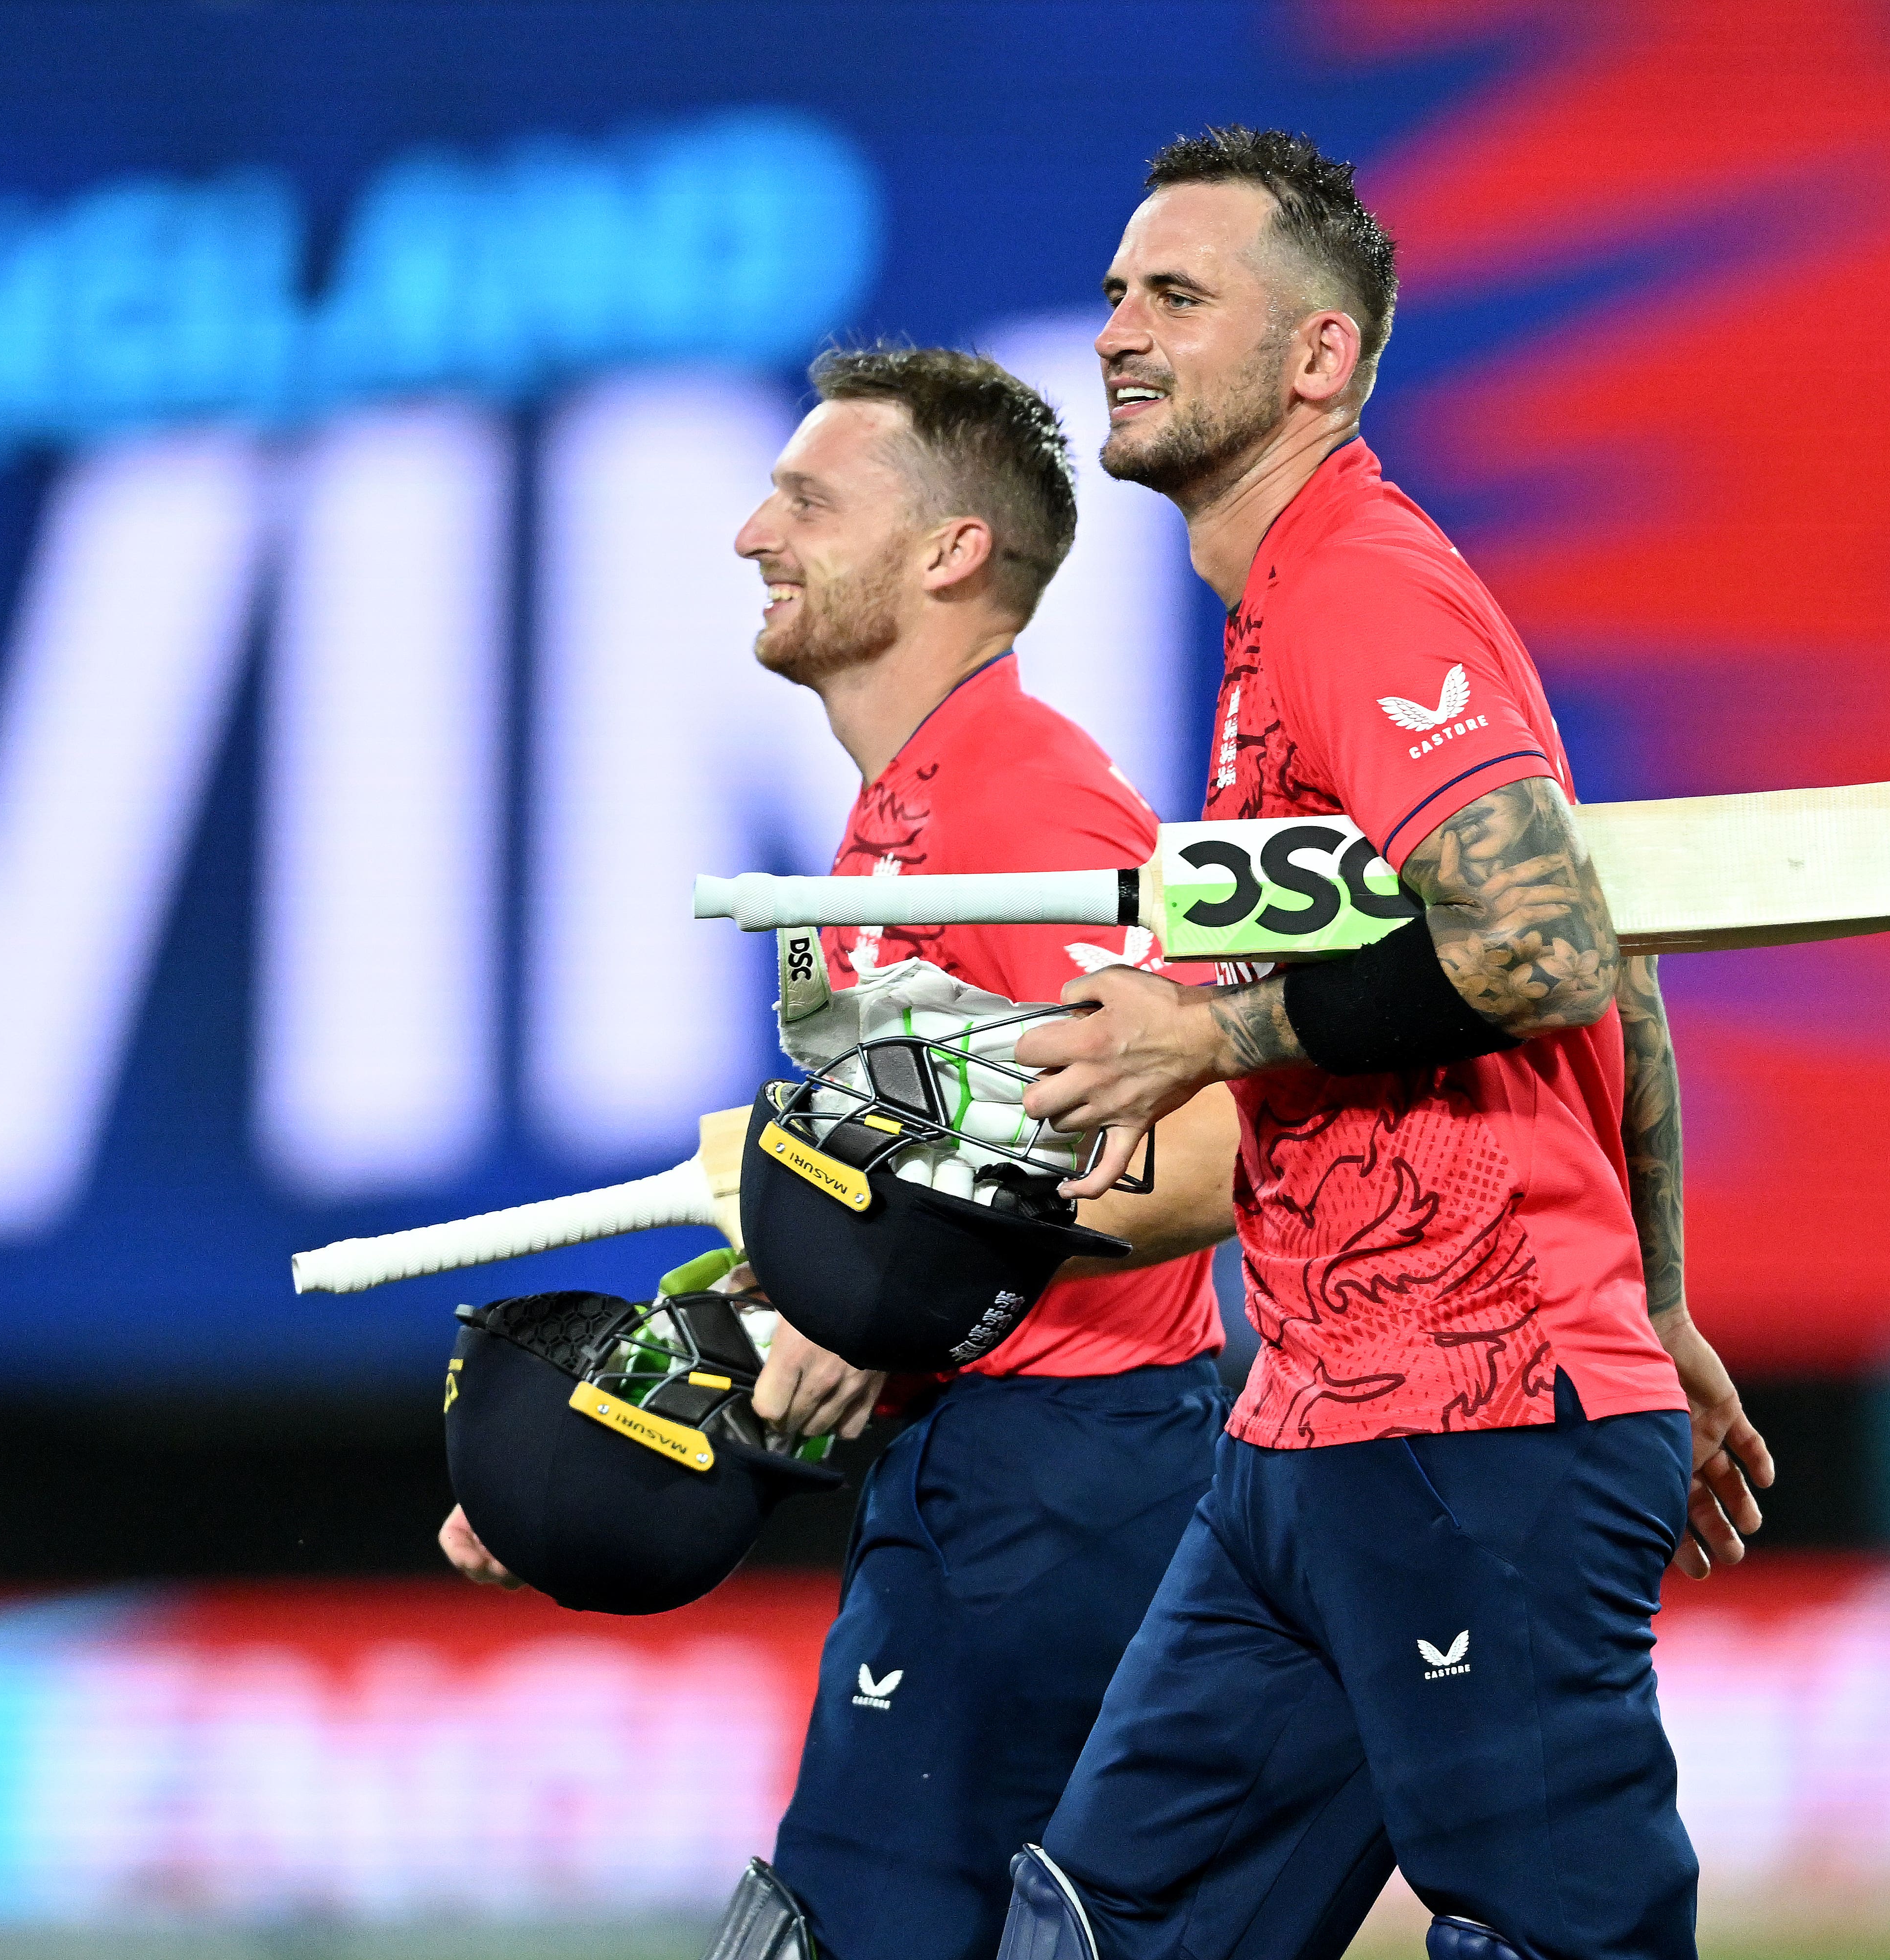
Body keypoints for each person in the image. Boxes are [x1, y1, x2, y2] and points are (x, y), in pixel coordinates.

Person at [999, 129, 1778, 1960]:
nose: (1121, 328)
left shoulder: (1359, 585)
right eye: (1117, 291)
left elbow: (1546, 943)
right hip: (1320, 1426)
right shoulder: (1287, 613)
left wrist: (1206, 1029)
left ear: (1320, 360)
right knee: (1107, 1937)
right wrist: (1656, 1299)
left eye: (1177, 297)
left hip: (1476, 1415)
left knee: (1546, 1940)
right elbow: (1622, 952)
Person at [441, 345, 1242, 1960]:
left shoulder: (1025, 809)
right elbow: (922, 1196)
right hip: (997, 1474)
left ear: (951, 551)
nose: (753, 532)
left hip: (1074, 1480)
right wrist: (658, 1394)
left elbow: (1216, 1152)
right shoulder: (894, 823)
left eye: (807, 498)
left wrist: (863, 1302)